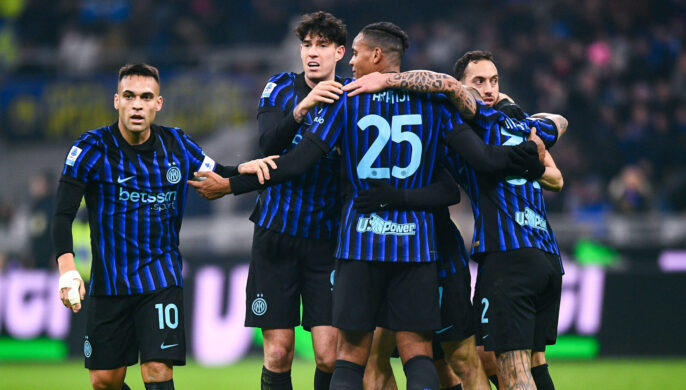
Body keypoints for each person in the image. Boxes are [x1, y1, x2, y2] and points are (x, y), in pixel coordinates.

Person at [189, 23, 545, 390]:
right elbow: (483, 160)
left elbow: (295, 163)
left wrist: (232, 182)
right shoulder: (435, 103)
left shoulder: (347, 99)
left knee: (350, 357)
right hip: (415, 248)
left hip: (359, 245)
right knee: (418, 352)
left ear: (376, 55)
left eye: (356, 53)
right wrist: (529, 154)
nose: (353, 62)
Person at [345, 50, 568, 390]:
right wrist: (515, 111)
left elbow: (446, 85)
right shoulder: (521, 124)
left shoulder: (474, 123)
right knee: (518, 360)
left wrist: (385, 79)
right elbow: (559, 130)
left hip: (506, 255)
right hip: (546, 255)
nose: (489, 89)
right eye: (480, 82)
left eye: (494, 81)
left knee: (506, 365)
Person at [51, 63, 275, 390]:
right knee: (103, 381)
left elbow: (217, 173)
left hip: (160, 279)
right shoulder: (91, 149)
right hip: (109, 283)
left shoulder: (176, 145)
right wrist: (67, 269)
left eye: (146, 97)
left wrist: (244, 169)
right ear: (117, 101)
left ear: (158, 103)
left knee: (157, 370)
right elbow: (61, 214)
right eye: (129, 96)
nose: (137, 104)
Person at [248, 11, 347, 390]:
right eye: (307, 45)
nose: (312, 53)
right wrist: (302, 109)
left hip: (326, 241)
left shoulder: (351, 96)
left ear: (339, 52)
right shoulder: (279, 88)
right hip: (275, 235)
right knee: (278, 352)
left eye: (323, 45)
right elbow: (267, 144)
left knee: (329, 354)